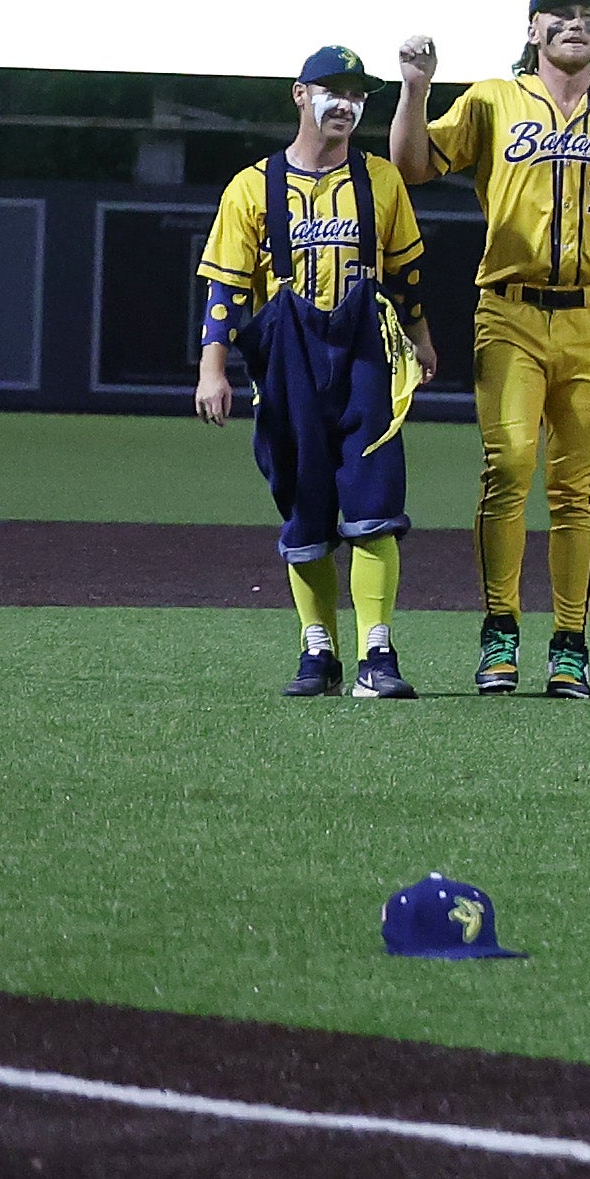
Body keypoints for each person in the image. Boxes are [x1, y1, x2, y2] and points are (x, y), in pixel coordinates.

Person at [388, 0, 590, 701]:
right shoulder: (492, 99)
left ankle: (570, 643)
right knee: (509, 467)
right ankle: (500, 632)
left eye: (586, 14)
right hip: (508, 308)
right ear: (533, 28)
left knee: (576, 487)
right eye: (561, 13)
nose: (576, 23)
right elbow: (412, 165)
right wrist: (416, 88)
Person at [195, 44, 432, 697]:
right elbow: (226, 286)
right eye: (332, 89)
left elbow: (407, 271)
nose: (346, 104)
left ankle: (376, 653)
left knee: (375, 499)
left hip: (364, 359)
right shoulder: (254, 185)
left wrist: (421, 338)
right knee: (305, 502)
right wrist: (212, 366)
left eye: (357, 94)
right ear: (300, 94)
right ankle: (318, 648)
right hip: (289, 361)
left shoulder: (380, 179)